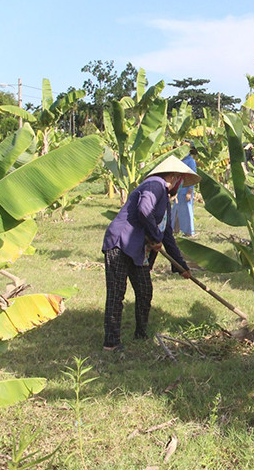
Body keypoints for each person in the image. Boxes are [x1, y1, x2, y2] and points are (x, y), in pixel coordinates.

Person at [101, 155, 201, 351]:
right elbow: (144, 210)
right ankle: (111, 343)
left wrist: (181, 267)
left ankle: (141, 334)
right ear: (174, 177)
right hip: (121, 244)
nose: (180, 187)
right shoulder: (154, 185)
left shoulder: (166, 202)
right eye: (180, 182)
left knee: (145, 291)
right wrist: (155, 237)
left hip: (138, 251)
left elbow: (168, 236)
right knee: (116, 294)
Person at [172, 145, 198, 236]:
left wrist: (190, 192)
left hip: (186, 190)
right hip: (178, 190)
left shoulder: (191, 161)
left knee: (187, 211)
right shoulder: (179, 160)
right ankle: (175, 230)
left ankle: (189, 231)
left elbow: (193, 177)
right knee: (175, 211)